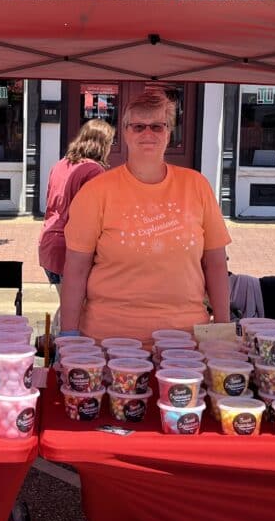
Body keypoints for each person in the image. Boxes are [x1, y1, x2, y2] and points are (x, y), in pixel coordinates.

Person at [59, 89, 231, 343]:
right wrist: (68, 335)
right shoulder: (96, 192)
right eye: (138, 126)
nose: (148, 134)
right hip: (109, 340)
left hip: (185, 343)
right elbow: (76, 268)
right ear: (125, 132)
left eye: (157, 127)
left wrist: (223, 330)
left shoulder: (197, 186)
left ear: (169, 132)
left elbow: (215, 263)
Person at [38, 119, 115, 330]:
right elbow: (93, 215)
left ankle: (55, 343)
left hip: (48, 243)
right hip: (71, 247)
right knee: (75, 309)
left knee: (68, 304)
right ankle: (60, 347)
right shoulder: (94, 171)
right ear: (102, 143)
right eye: (110, 142)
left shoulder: (60, 164)